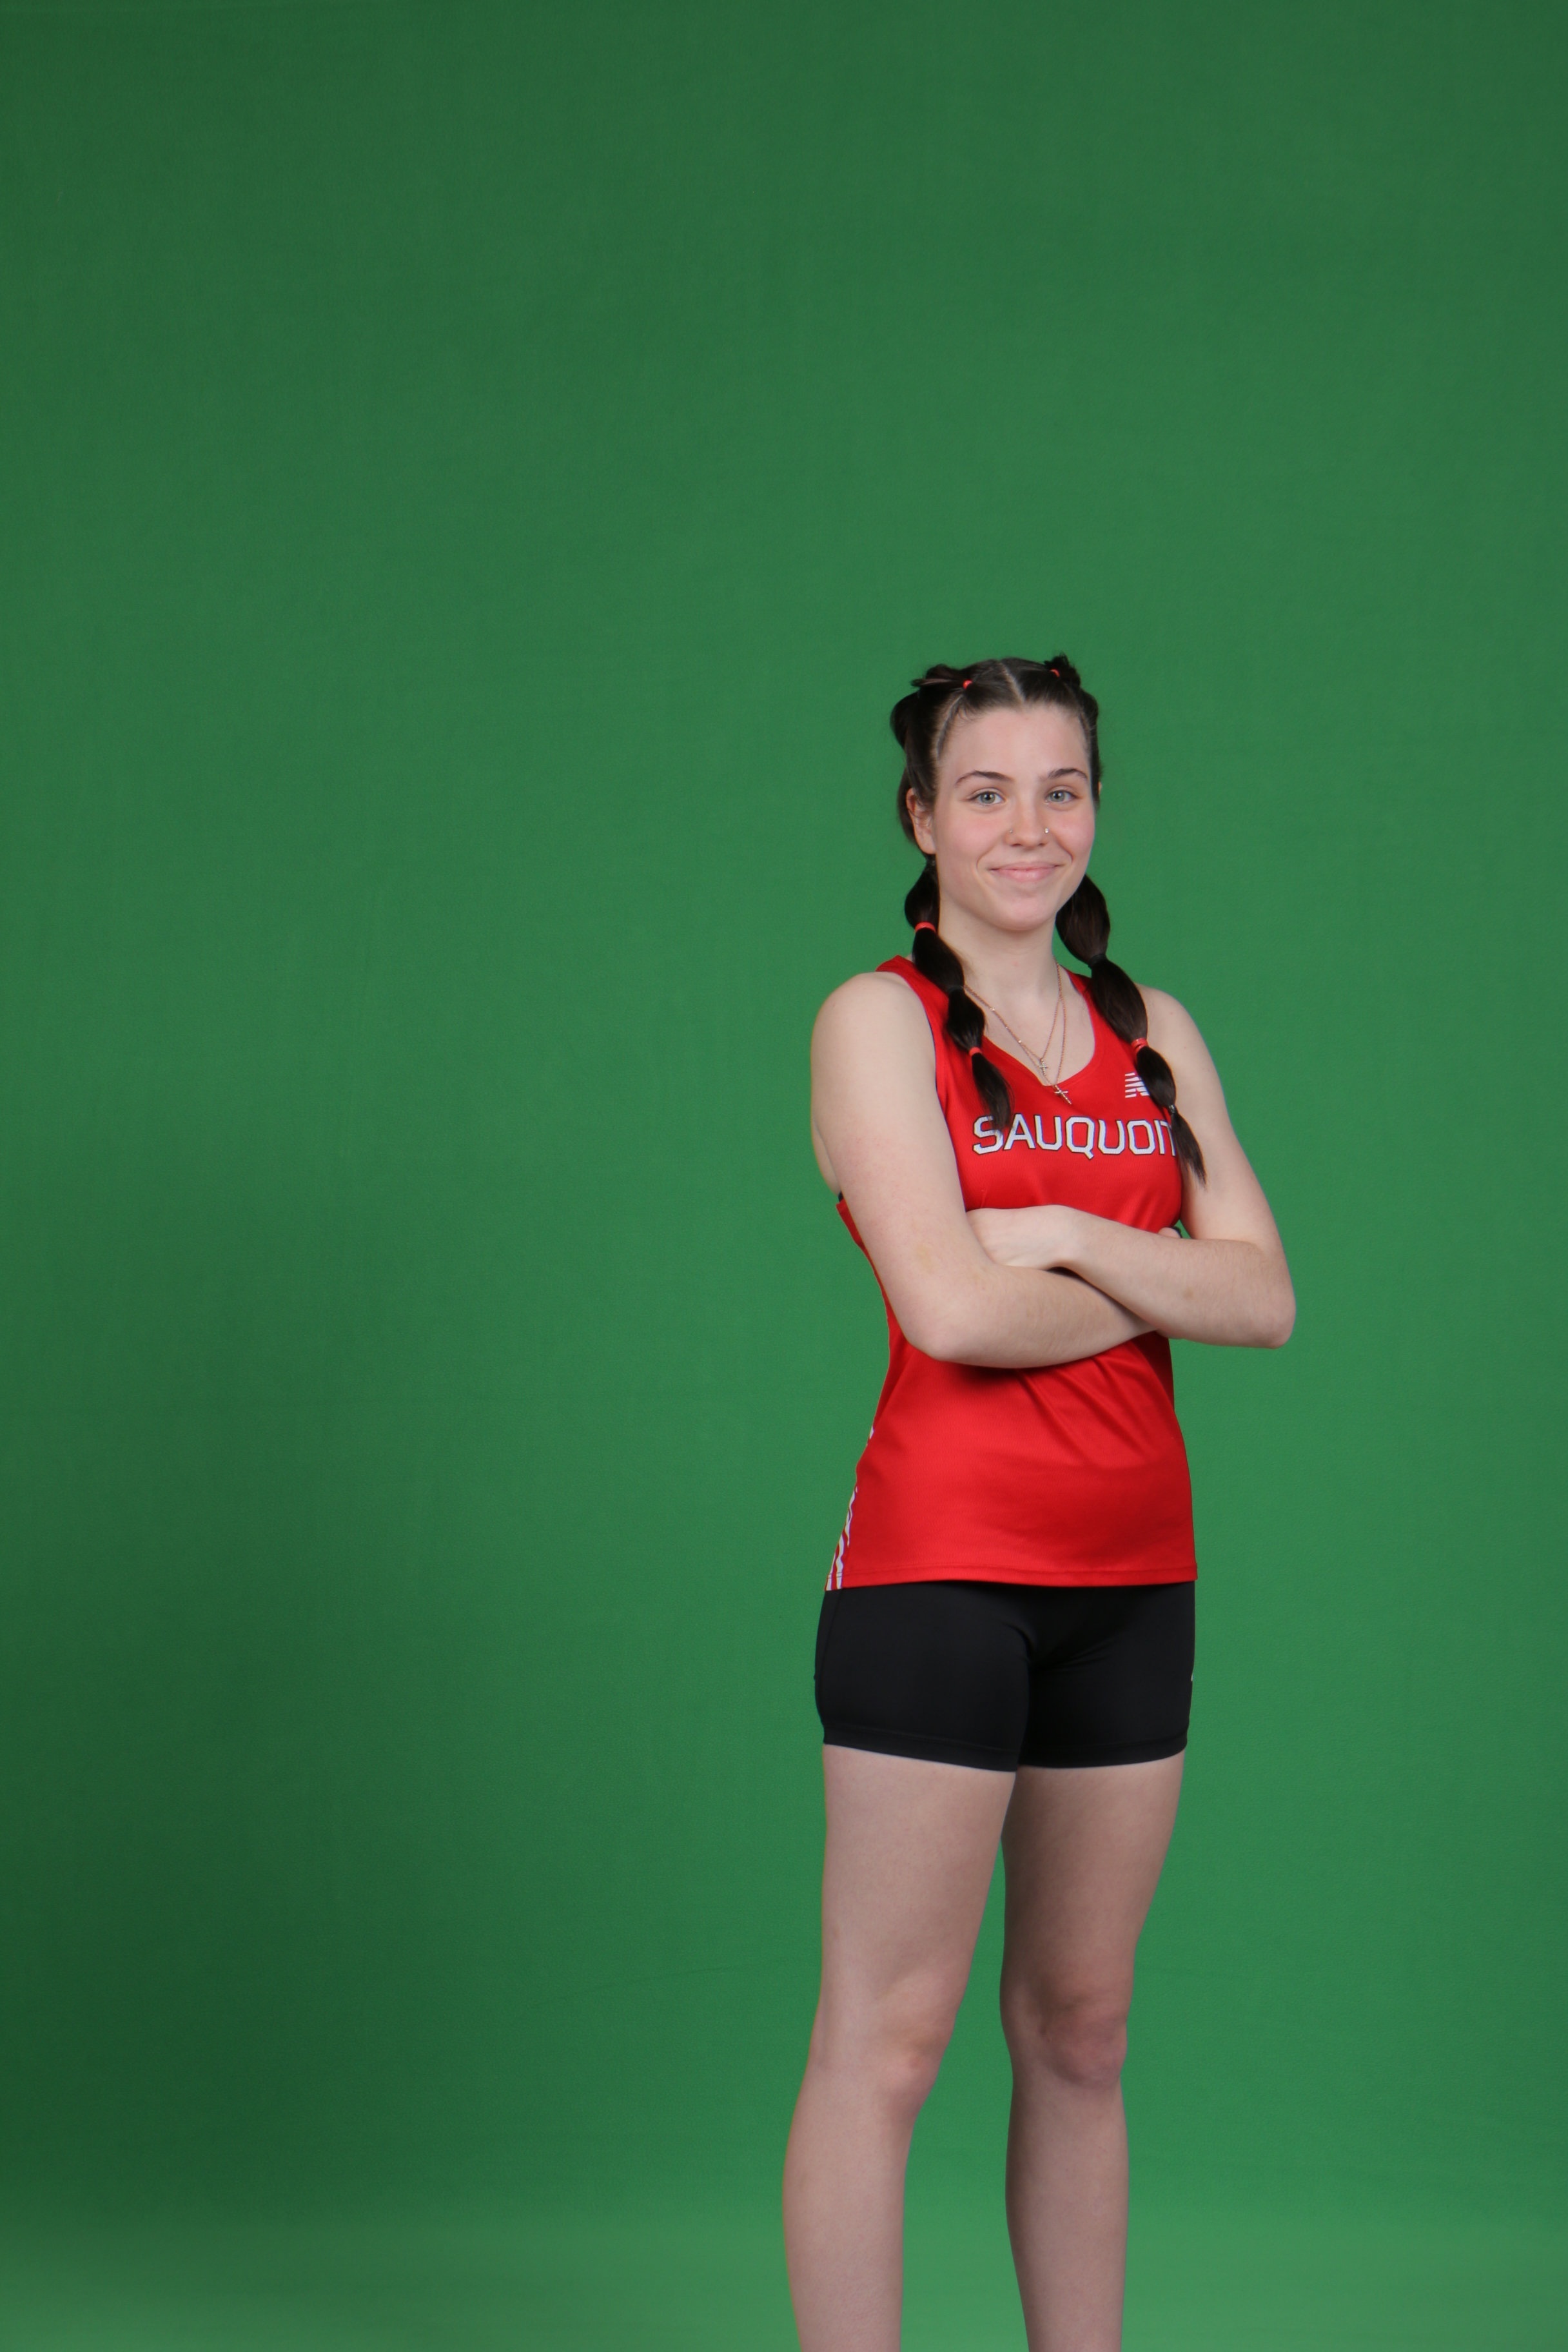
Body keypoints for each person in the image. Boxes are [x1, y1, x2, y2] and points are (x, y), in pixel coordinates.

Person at [783, 657, 1294, 2352]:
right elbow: (949, 1313)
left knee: (1083, 2033)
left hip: (1137, 1578)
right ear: (922, 820)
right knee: (891, 2041)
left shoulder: (1157, 1032)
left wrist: (1070, 1236)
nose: (1028, 826)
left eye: (1059, 790)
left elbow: (1270, 1300)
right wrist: (1166, 1280)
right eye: (985, 791)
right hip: (938, 1578)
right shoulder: (875, 1023)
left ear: (1095, 813)